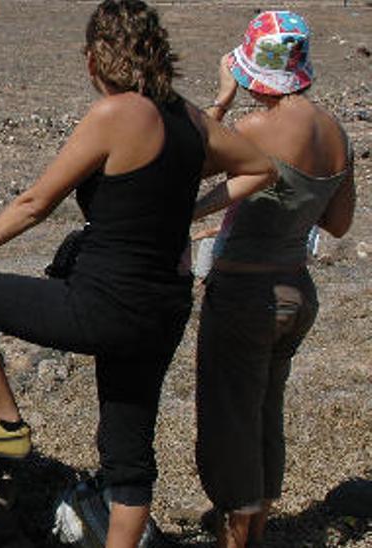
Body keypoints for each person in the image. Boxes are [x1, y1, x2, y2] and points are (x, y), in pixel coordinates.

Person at [0, 1, 276, 545]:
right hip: (164, 311)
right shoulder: (190, 118)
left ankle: (7, 425)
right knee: (128, 456)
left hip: (102, 305)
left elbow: (36, 202)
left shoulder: (116, 114)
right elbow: (261, 167)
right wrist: (190, 212)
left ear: (93, 60)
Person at [194, 12, 355, 548]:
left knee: (230, 418)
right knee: (265, 411)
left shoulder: (254, 128)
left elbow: (187, 164)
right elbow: (337, 224)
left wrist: (221, 97)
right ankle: (257, 527)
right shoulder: (337, 133)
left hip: (245, 291)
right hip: (296, 291)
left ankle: (237, 536)